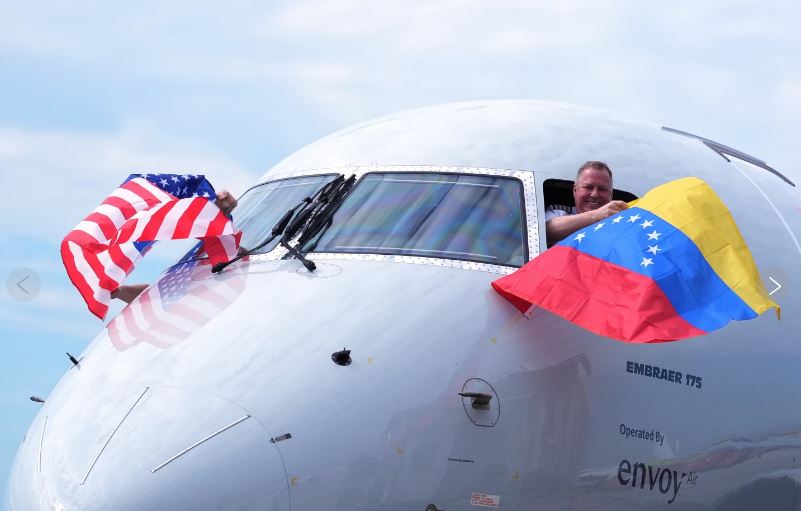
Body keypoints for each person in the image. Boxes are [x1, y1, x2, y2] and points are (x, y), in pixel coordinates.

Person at [111, 190, 238, 304]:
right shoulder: (195, 259)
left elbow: (233, 250)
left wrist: (216, 213)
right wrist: (120, 292)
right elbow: (158, 293)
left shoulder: (229, 258)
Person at [545, 161, 629, 245]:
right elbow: (545, 232)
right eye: (588, 187)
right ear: (575, 190)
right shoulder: (559, 214)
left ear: (611, 194)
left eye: (602, 189)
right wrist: (596, 216)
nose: (595, 194)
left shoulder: (620, 223)